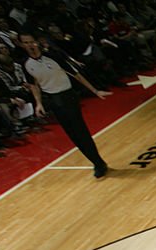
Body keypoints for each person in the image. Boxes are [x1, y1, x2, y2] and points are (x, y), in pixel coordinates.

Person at [18, 30, 110, 178]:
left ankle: (98, 163)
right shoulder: (26, 64)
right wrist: (38, 103)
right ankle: (96, 162)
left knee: (81, 131)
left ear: (38, 41)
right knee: (73, 135)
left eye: (32, 41)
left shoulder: (54, 56)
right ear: (22, 45)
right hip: (53, 99)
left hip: (68, 96)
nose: (30, 45)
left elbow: (76, 74)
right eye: (26, 43)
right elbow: (33, 85)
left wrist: (95, 90)